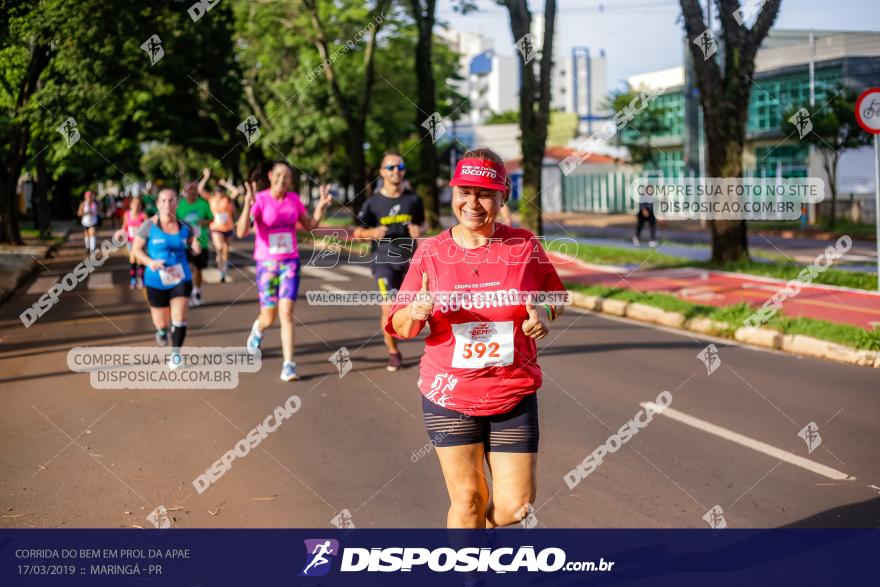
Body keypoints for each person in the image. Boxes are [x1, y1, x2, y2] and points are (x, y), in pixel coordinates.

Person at [386, 147, 566, 529]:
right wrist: (416, 312)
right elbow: (400, 326)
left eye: (485, 193)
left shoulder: (523, 246)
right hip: (450, 394)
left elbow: (556, 295)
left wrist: (544, 313)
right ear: (452, 193)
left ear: (502, 197)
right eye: (464, 191)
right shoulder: (431, 253)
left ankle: (475, 545)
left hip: (512, 391)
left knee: (516, 508)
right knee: (467, 501)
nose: (473, 202)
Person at [236, 162, 333, 382]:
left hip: (290, 262)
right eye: (278, 175)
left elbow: (309, 225)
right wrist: (246, 204)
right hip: (267, 264)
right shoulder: (260, 199)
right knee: (269, 317)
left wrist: (322, 205)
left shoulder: (293, 200)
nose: (282, 179)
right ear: (270, 176)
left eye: (286, 176)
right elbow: (241, 231)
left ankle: (288, 365)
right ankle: (258, 330)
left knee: (287, 313)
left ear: (290, 180)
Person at [352, 151, 425, 371]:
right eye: (391, 168)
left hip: (409, 260)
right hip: (383, 259)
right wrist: (371, 233)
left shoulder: (413, 199)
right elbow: (357, 232)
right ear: (382, 172)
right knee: (388, 308)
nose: (396, 172)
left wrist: (418, 230)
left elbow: (423, 224)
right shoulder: (373, 202)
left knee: (422, 306)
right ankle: (393, 352)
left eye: (400, 168)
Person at [131, 189, 201, 369]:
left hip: (181, 277)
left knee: (179, 317)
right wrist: (150, 262)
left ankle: (176, 354)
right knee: (161, 322)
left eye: (171, 200)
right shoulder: (148, 226)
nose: (167, 204)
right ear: (157, 204)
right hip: (156, 280)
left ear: (176, 203)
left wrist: (196, 245)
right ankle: (162, 331)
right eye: (163, 201)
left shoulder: (185, 225)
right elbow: (136, 250)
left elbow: (194, 241)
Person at [198, 168, 239, 283]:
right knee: (220, 247)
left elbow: (236, 191)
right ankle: (220, 265)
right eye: (218, 192)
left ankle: (223, 268)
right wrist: (206, 177)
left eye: (222, 192)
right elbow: (200, 189)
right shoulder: (212, 199)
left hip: (229, 227)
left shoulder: (228, 199)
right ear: (215, 192)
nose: (220, 194)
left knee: (226, 249)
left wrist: (225, 184)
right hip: (216, 228)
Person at [176, 181, 213, 306]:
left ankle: (197, 292)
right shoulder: (180, 205)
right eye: (189, 189)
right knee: (188, 269)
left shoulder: (203, 204)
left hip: (201, 242)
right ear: (185, 191)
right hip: (185, 244)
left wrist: (205, 222)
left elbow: (211, 218)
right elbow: (175, 222)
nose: (191, 191)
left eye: (194, 189)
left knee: (198, 270)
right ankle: (189, 293)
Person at [119, 197, 147, 289]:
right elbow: (125, 225)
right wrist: (121, 233)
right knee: (132, 259)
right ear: (131, 205)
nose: (136, 206)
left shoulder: (143, 215)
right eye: (134, 204)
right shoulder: (127, 214)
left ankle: (141, 279)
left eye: (138, 204)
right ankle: (133, 279)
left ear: (141, 205)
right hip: (130, 241)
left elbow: (148, 227)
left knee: (140, 260)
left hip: (140, 241)